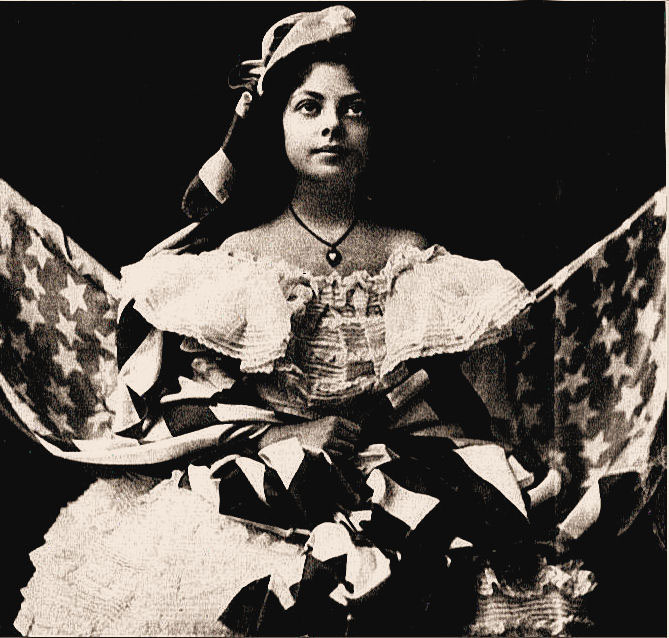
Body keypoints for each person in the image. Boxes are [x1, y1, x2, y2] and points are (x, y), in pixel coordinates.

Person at [14, 7, 591, 636]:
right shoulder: (236, 261)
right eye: (308, 107)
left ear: (378, 127)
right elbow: (187, 400)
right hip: (265, 475)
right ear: (277, 125)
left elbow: (467, 404)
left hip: (402, 476)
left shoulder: (417, 259)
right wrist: (284, 436)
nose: (333, 128)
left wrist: (406, 442)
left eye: (355, 109)